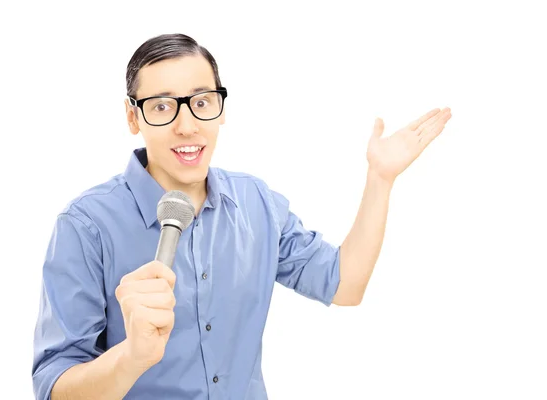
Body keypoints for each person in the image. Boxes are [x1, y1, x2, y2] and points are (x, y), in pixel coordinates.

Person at [31, 33, 452, 400]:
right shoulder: (85, 226)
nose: (187, 125)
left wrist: (380, 178)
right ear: (132, 116)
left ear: (221, 107)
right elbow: (55, 388)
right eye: (162, 107)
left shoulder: (257, 203)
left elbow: (345, 285)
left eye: (201, 102)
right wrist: (132, 356)